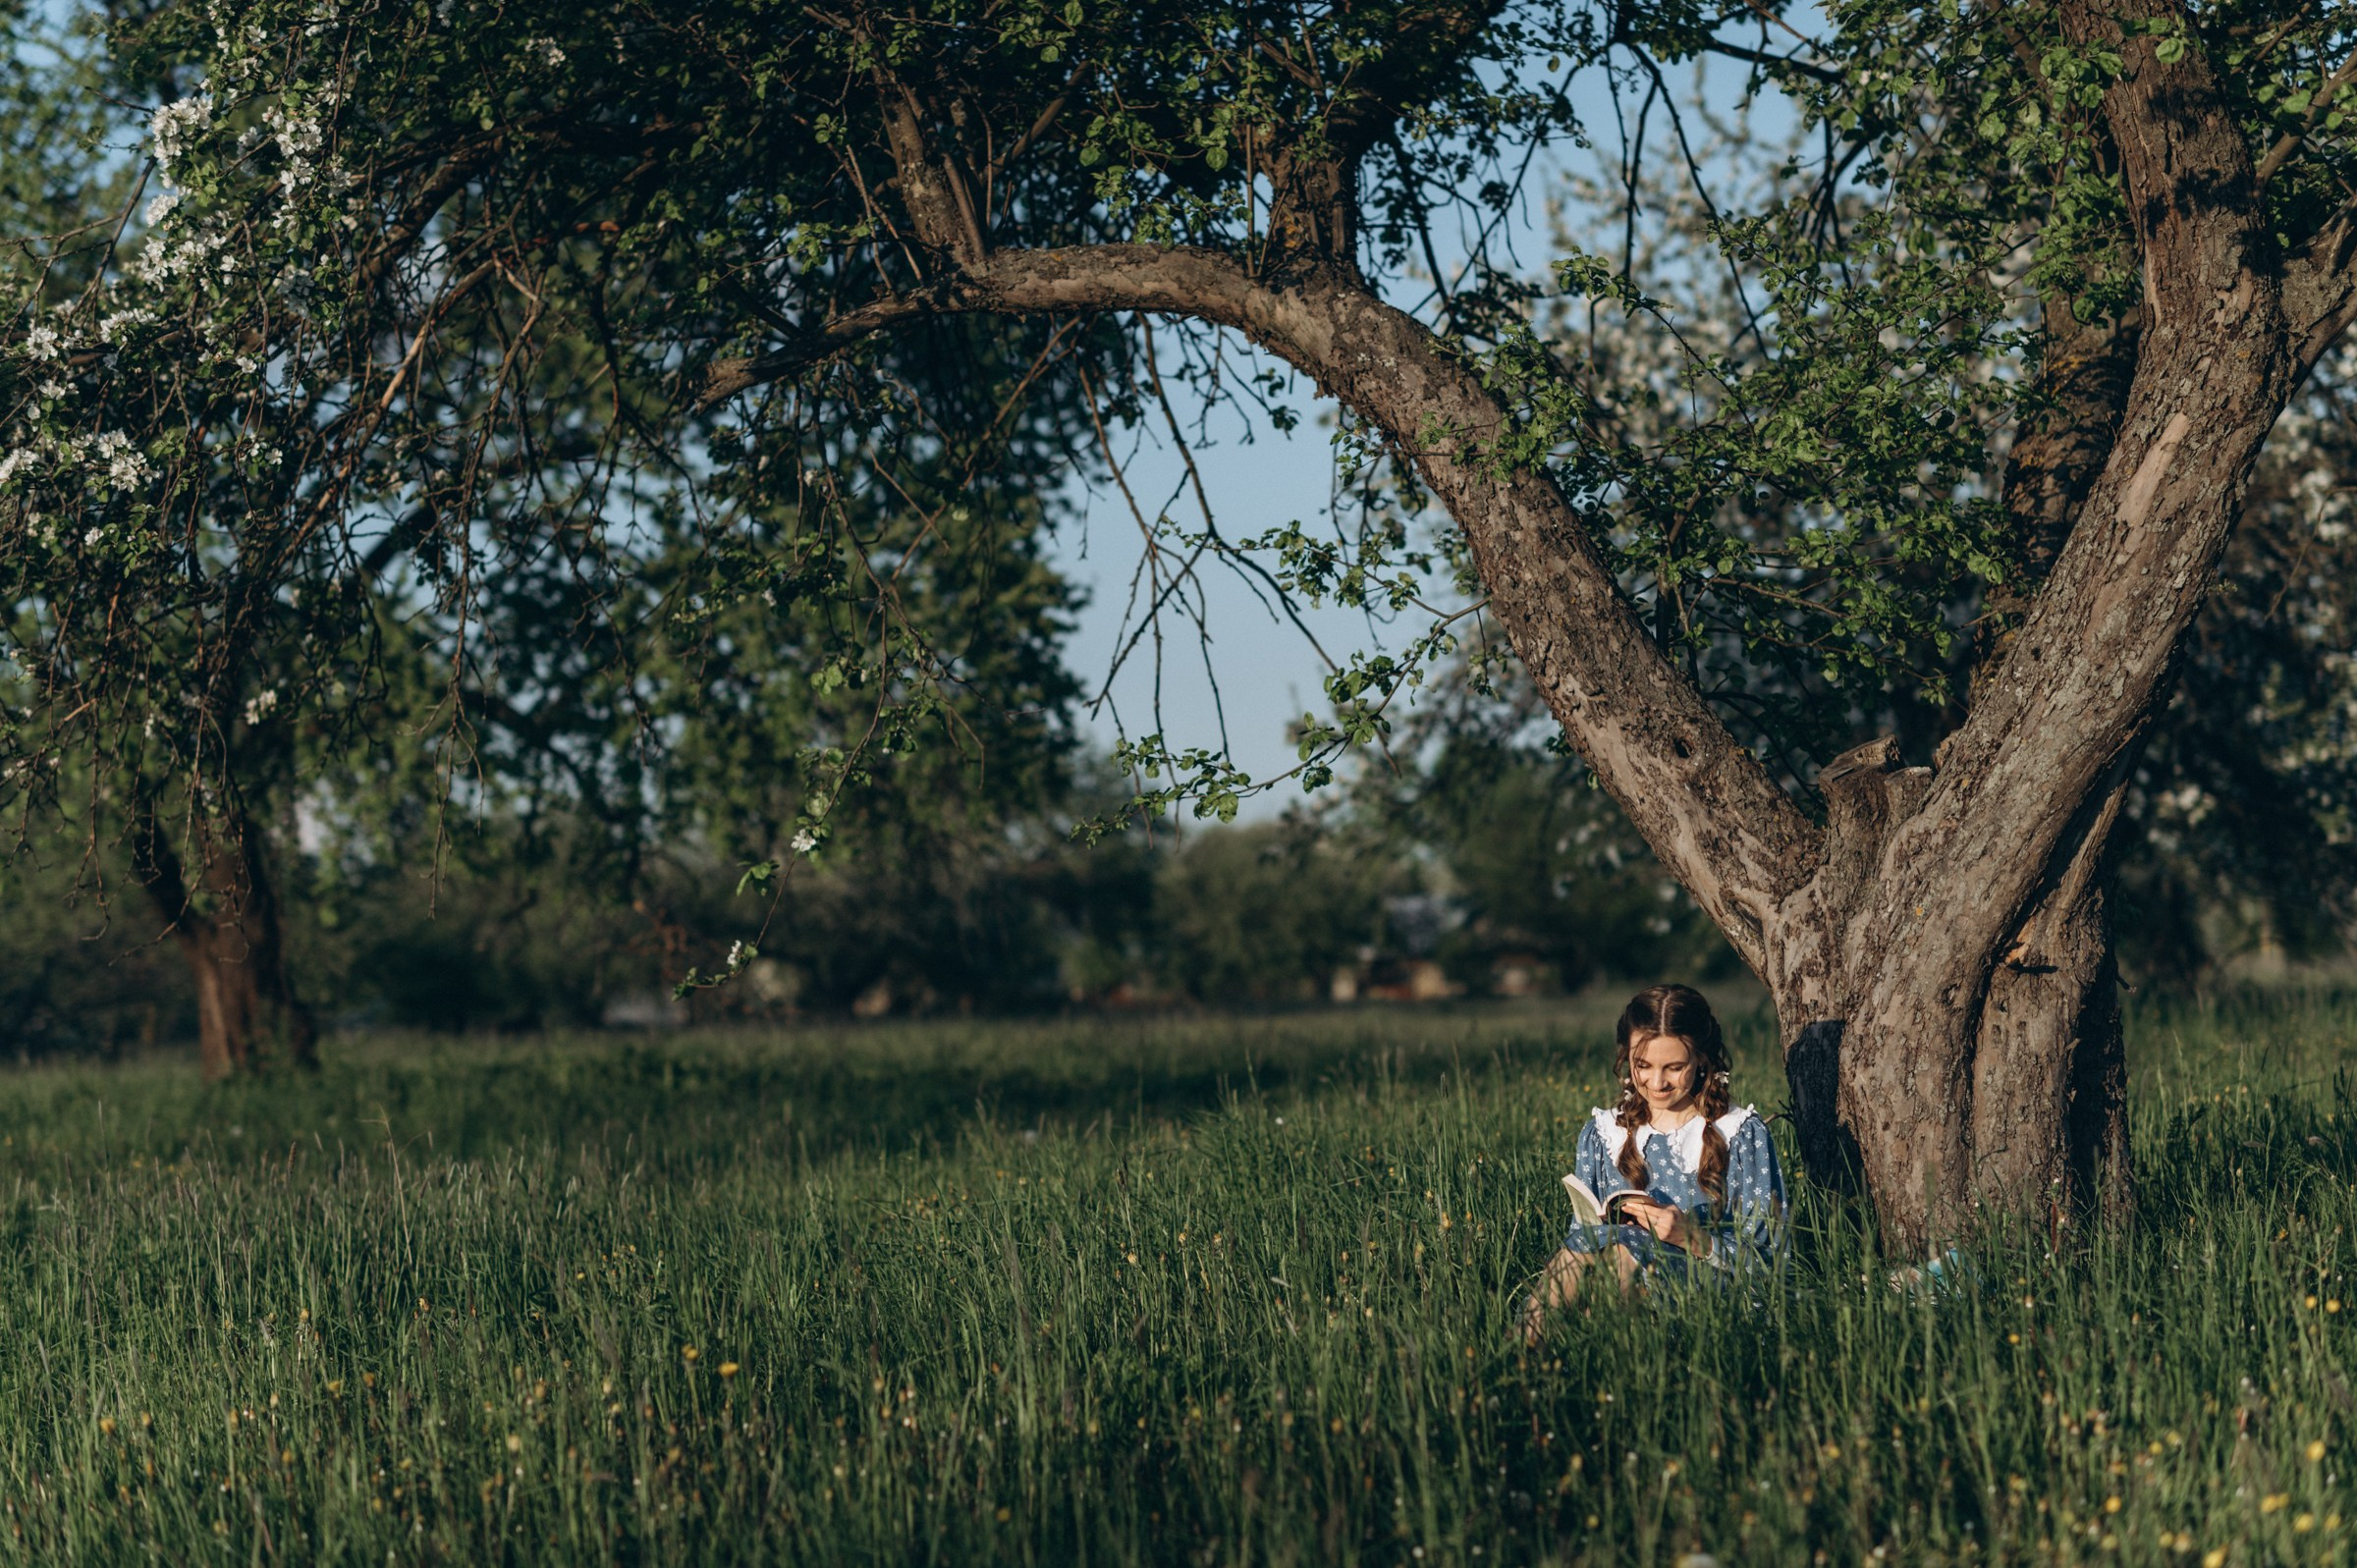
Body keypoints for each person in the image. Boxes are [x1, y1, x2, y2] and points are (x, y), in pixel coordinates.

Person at [1518, 983, 1785, 1341]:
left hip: (1711, 1283)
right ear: (1626, 1058)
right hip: (1612, 1277)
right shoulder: (1603, 1133)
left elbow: (1768, 1261)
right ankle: (1516, 1362)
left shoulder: (1738, 1134)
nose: (1656, 1082)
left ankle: (1615, 1374)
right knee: (1588, 1254)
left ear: (1702, 1061)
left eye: (1674, 1067)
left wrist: (1692, 1238)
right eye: (1642, 1065)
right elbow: (1580, 1237)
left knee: (1623, 1255)